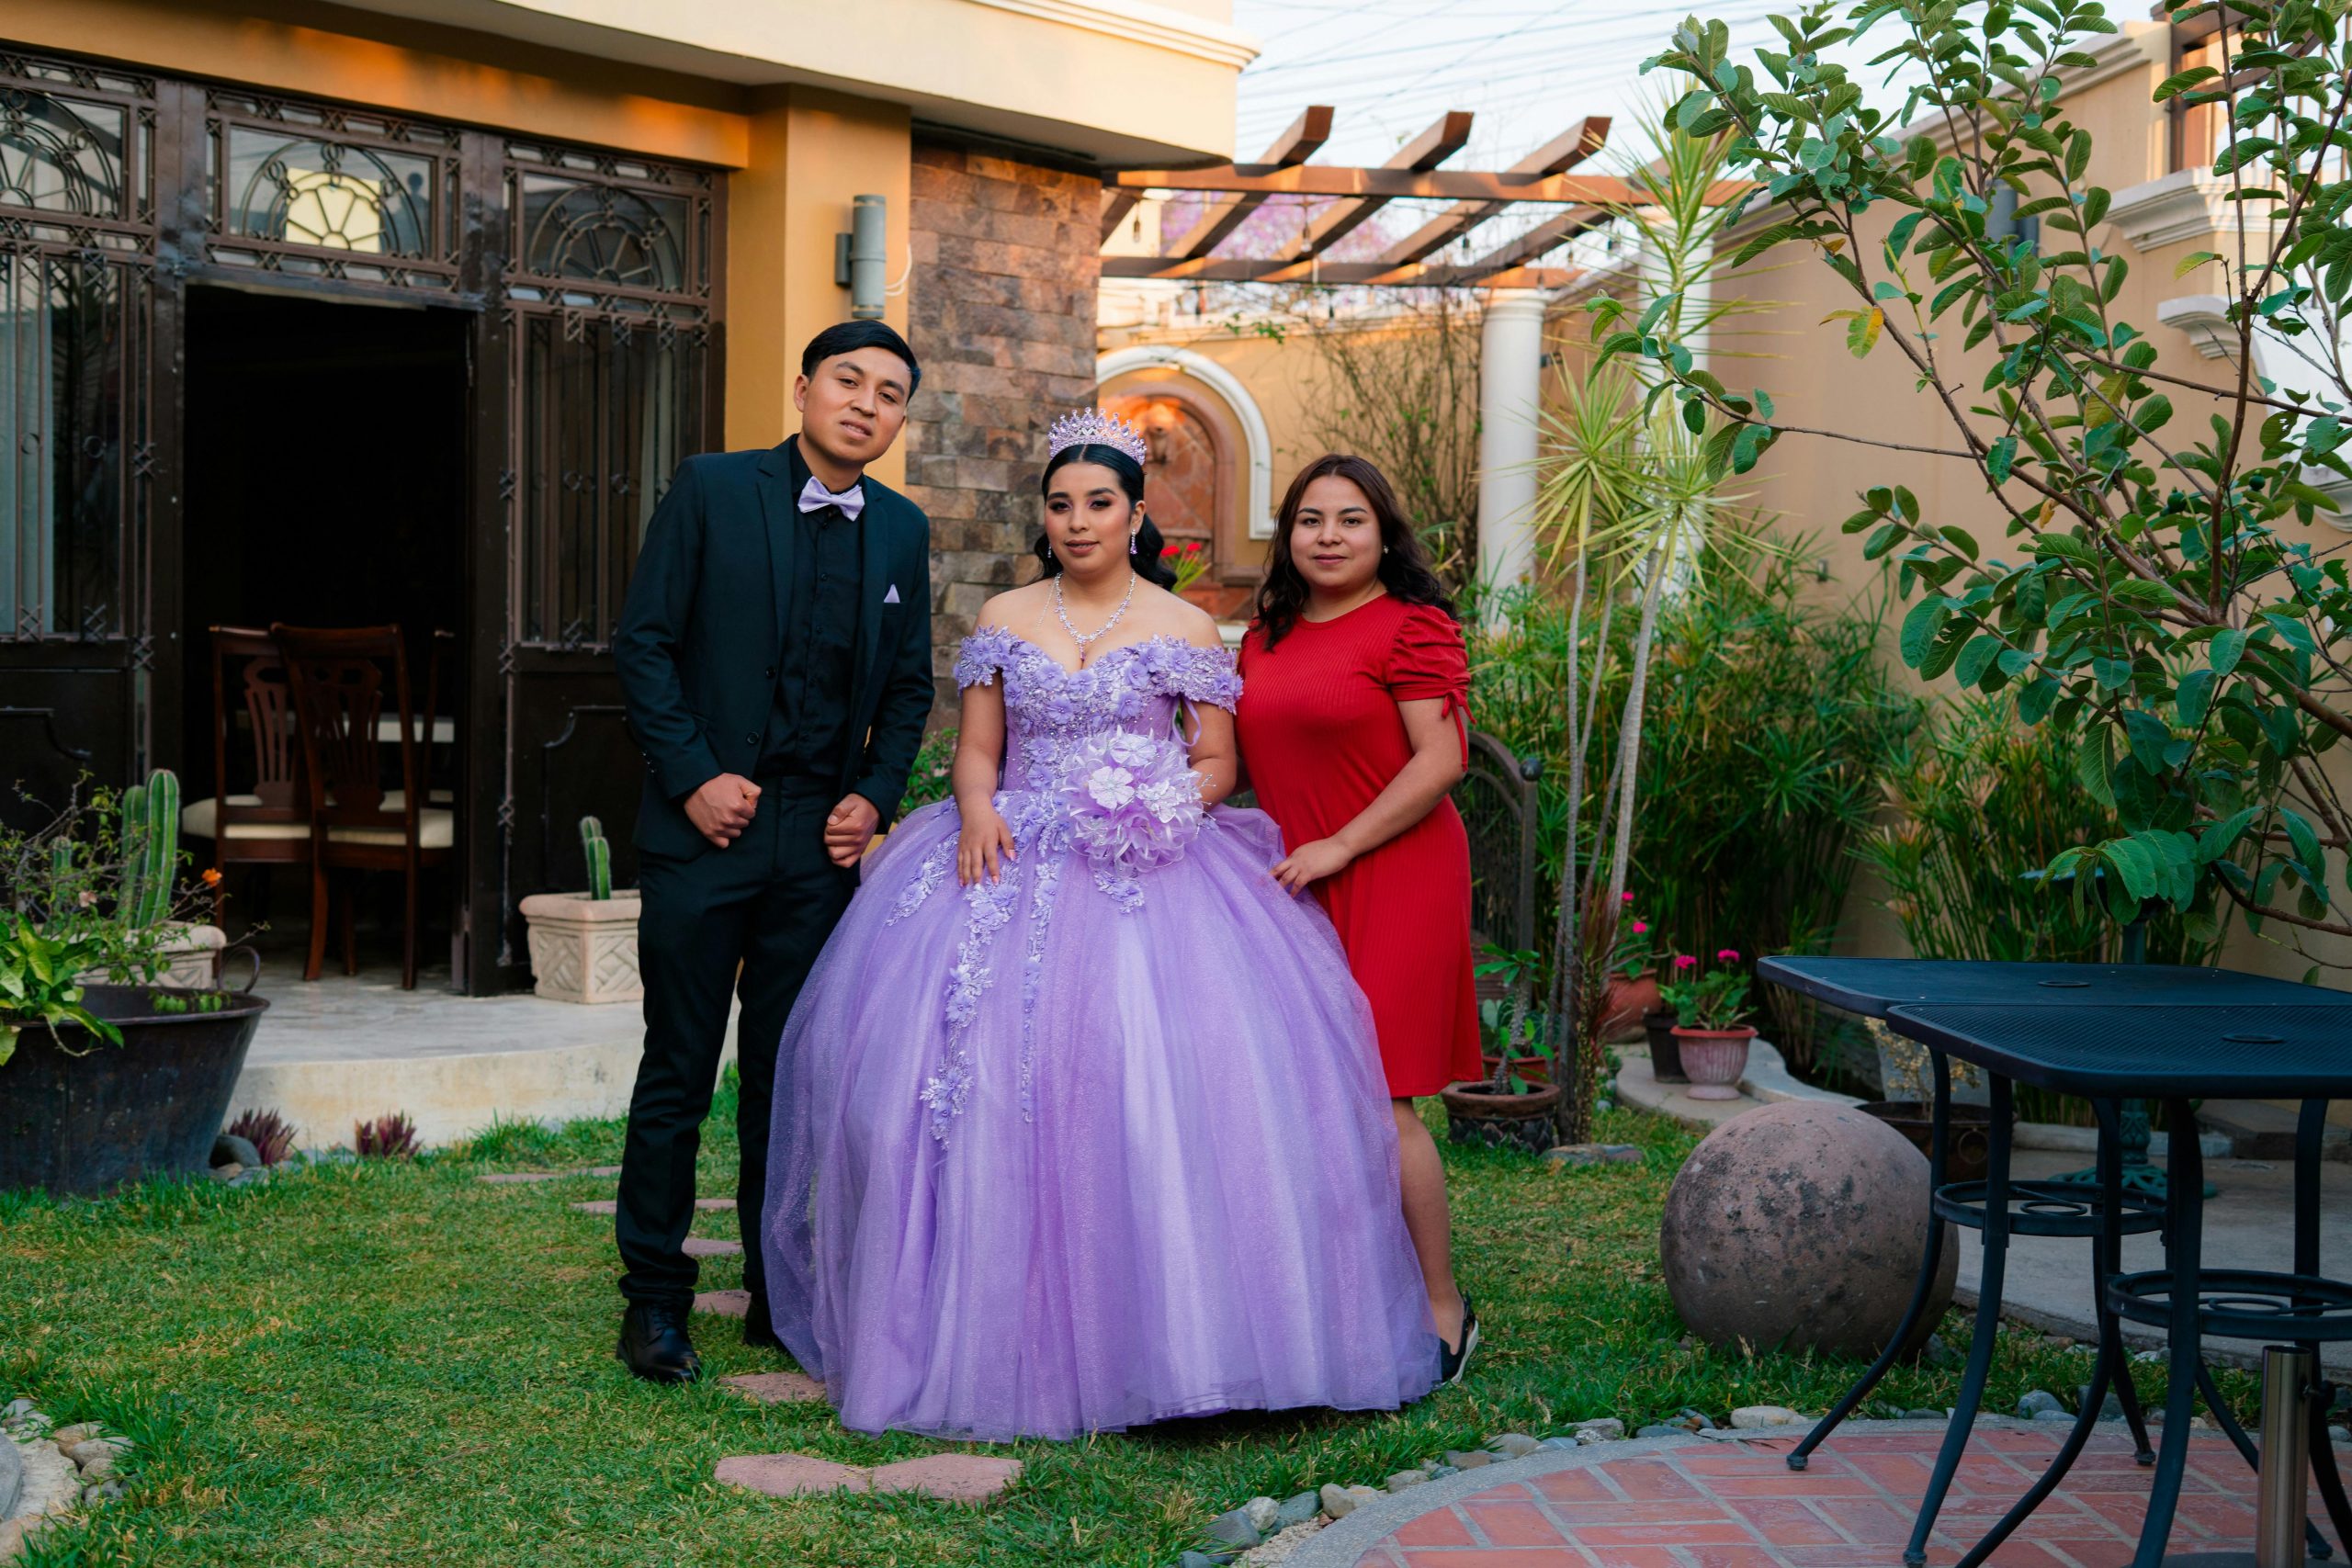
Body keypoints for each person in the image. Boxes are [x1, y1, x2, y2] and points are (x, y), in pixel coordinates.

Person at [761, 411, 1437, 1439]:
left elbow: (1217, 761)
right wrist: (979, 809)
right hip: (1008, 853)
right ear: (1046, 516)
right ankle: (973, 1323)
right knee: (974, 1078)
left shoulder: (1182, 626)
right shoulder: (1005, 613)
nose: (1078, 522)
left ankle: (1182, 1339)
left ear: (1134, 516)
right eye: (1061, 504)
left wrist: (1162, 803)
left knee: (1154, 1079)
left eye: (1100, 504)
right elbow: (977, 750)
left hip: (1148, 864)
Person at [608, 321, 934, 1384]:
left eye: (889, 394)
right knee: (679, 1072)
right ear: (802, 387)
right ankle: (654, 1300)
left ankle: (777, 1289)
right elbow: (645, 643)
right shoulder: (710, 488)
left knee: (791, 1076)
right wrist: (693, 775)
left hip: (818, 846)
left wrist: (872, 798)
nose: (866, 405)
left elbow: (908, 687)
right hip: (708, 826)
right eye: (848, 381)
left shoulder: (901, 530)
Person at [1232, 453, 1484, 1383]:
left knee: (1383, 1096)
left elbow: (1441, 760)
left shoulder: (1411, 627)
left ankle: (1440, 1304)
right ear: (1287, 535)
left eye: (1348, 520)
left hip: (1394, 868)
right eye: (1309, 520)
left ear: (1384, 535)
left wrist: (1342, 842)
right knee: (1303, 1088)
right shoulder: (1264, 636)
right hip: (1292, 878)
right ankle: (1336, 1284)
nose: (1327, 537)